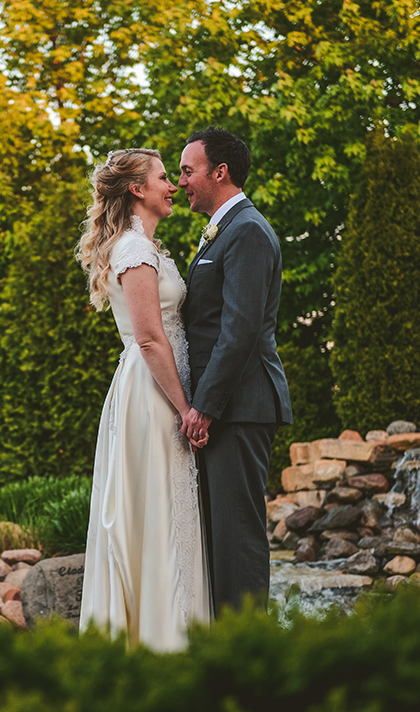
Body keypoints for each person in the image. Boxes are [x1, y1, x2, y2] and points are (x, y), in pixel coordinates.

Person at [77, 148, 212, 652]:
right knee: (158, 509)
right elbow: (151, 338)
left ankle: (174, 632)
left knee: (170, 507)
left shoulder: (146, 247)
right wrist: (186, 408)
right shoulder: (134, 249)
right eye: (163, 177)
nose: (173, 185)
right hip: (154, 391)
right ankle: (162, 643)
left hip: (162, 385)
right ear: (137, 189)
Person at [178, 127, 293, 615]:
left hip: (238, 406)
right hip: (227, 406)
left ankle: (247, 657)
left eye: (187, 171)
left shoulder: (247, 230)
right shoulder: (225, 230)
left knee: (237, 535)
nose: (181, 181)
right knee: (218, 535)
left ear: (219, 172)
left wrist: (205, 405)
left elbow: (240, 330)